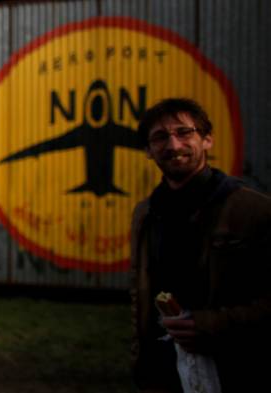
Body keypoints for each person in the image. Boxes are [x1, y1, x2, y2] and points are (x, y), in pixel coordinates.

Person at [130, 98, 271, 392]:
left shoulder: (254, 211)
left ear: (207, 140)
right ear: (148, 151)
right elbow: (141, 292)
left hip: (238, 368)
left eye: (184, 132)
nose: (173, 145)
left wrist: (209, 325)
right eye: (160, 137)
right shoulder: (145, 214)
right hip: (164, 370)